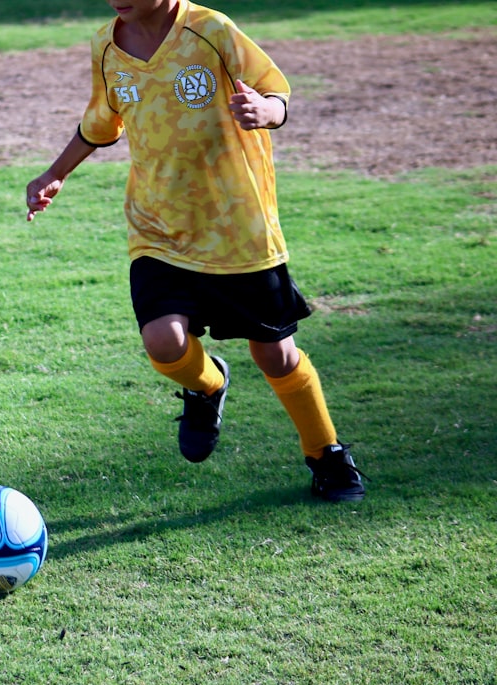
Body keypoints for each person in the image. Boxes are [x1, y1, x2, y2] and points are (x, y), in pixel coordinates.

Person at [24, 0, 366, 501]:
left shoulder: (211, 31)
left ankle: (326, 453)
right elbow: (100, 124)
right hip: (159, 227)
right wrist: (54, 173)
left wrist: (264, 112)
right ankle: (206, 386)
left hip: (239, 230)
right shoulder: (105, 45)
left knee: (275, 355)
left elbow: (278, 95)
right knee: (162, 340)